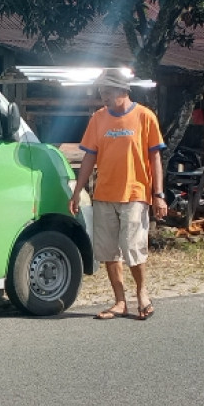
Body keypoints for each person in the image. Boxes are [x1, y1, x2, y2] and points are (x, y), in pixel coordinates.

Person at [69, 70, 168, 320]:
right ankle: (119, 301)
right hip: (104, 193)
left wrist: (158, 194)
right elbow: (89, 156)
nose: (103, 96)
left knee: (133, 247)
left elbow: (155, 156)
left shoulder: (144, 117)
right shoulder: (98, 119)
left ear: (123, 90)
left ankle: (142, 294)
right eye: (101, 91)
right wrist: (77, 191)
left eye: (108, 91)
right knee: (109, 251)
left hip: (135, 193)